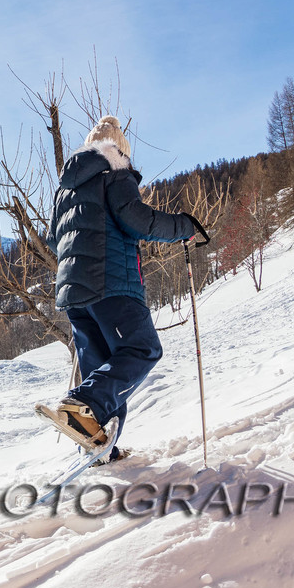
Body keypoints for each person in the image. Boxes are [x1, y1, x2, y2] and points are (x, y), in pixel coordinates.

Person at [41, 115, 206, 455]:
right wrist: (185, 227)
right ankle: (83, 406)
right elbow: (137, 220)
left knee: (102, 370)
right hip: (111, 284)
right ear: (118, 149)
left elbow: (54, 239)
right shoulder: (115, 172)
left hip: (73, 291)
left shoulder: (65, 190)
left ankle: (98, 445)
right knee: (142, 349)